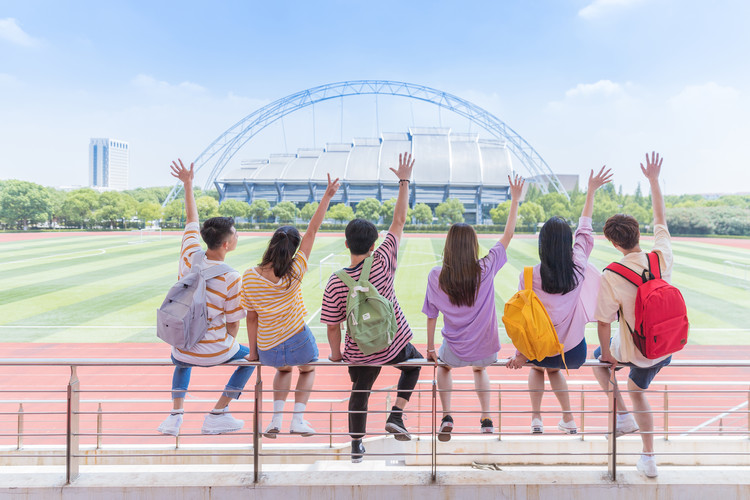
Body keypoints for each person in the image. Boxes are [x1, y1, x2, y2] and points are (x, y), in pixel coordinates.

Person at [321, 152, 421, 463]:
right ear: (374, 243)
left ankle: (356, 446)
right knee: (415, 362)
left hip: (359, 349)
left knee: (360, 391)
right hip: (393, 343)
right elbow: (399, 220)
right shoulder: (383, 260)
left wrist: (337, 355)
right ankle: (396, 414)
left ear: (346, 243)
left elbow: (333, 325)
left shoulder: (336, 281)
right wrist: (403, 181)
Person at [507, 166, 613, 435]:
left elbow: (525, 320)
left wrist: (522, 353)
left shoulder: (528, 275)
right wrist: (590, 190)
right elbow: (585, 230)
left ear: (542, 244)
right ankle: (568, 418)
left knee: (538, 365)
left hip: (537, 349)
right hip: (572, 351)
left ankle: (536, 419)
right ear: (567, 243)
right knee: (552, 369)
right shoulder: (577, 267)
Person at [423, 175, 525, 441]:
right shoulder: (486, 267)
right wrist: (514, 199)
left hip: (454, 350)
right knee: (480, 370)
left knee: (443, 367)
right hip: (486, 351)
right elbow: (508, 234)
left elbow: (431, 315)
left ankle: (447, 415)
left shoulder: (437, 276)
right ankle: (487, 417)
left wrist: (431, 348)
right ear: (473, 246)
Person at [157, 159, 254, 436]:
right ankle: (218, 412)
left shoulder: (189, 254)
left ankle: (175, 414)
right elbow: (234, 323)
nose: (237, 237)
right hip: (215, 350)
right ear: (226, 244)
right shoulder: (231, 277)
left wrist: (188, 183)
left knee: (181, 356)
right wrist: (226, 343)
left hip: (182, 345)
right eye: (235, 234)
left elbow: (191, 219)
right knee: (251, 360)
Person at [241, 174, 340, 438]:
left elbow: (251, 318)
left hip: (268, 345)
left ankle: (275, 421)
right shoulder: (296, 270)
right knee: (307, 371)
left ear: (271, 244)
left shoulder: (249, 275)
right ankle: (298, 420)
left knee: (283, 371)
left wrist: (253, 353)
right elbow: (312, 231)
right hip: (298, 339)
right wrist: (327, 196)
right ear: (293, 249)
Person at [592, 152, 672, 478]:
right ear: (639, 234)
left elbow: (602, 321)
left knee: (601, 364)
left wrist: (609, 354)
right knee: (631, 379)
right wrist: (653, 180)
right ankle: (637, 439)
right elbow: (661, 220)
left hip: (637, 351)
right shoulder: (660, 257)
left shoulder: (611, 274)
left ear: (613, 243)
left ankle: (647, 453)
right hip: (667, 343)